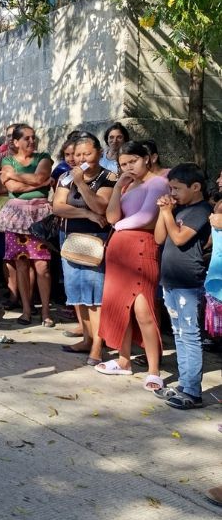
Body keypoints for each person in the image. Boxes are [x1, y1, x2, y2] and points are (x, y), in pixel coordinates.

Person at [96, 141, 168, 390]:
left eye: (133, 161)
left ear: (146, 158)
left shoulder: (157, 183)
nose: (128, 167)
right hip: (119, 253)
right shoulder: (128, 185)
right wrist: (117, 187)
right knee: (119, 306)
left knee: (143, 310)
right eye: (123, 164)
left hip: (141, 248)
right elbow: (111, 216)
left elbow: (147, 216)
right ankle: (123, 360)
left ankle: (154, 369)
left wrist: (118, 227)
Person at [51, 133, 115, 366]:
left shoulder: (109, 177)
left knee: (95, 296)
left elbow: (100, 206)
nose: (81, 159)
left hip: (95, 240)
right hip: (69, 239)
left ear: (99, 153)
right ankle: (87, 339)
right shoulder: (65, 176)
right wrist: (85, 213)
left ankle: (98, 344)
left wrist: (80, 184)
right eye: (77, 154)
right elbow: (58, 207)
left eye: (87, 153)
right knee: (76, 292)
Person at [153, 163, 212, 408]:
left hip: (188, 281)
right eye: (171, 189)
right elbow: (159, 238)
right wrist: (163, 212)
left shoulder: (201, 210)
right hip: (170, 279)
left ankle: (193, 392)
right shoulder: (178, 210)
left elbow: (179, 238)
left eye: (177, 188)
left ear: (195, 187)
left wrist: (168, 212)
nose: (172, 193)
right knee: (178, 334)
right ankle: (184, 385)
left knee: (190, 335)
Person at [0, 125, 54, 326]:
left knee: (42, 265)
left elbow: (39, 177)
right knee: (21, 264)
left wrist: (15, 175)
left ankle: (45, 311)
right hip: (16, 217)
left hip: (40, 216)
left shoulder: (43, 157)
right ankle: (26, 310)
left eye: (33, 137)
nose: (32, 141)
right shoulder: (7, 160)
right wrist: (41, 184)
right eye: (26, 138)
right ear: (15, 142)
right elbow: (13, 187)